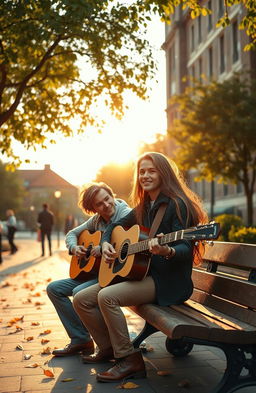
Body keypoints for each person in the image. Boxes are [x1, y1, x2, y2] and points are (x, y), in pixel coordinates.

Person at [73, 152, 208, 383]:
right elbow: (114, 225)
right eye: (142, 171)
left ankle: (129, 359)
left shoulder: (178, 204)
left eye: (151, 170)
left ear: (163, 173)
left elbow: (186, 248)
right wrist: (106, 243)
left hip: (168, 282)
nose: (145, 175)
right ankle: (107, 348)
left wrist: (168, 250)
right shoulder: (145, 205)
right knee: (81, 299)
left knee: (107, 296)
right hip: (146, 275)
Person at [47, 182, 131, 357]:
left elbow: (128, 242)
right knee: (53, 289)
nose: (106, 205)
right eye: (99, 204)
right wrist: (74, 248)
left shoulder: (126, 214)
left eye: (107, 199)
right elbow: (71, 233)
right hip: (93, 274)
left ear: (112, 195)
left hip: (113, 275)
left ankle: (107, 342)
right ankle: (81, 339)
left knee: (79, 292)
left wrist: (103, 249)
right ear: (93, 209)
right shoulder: (96, 220)